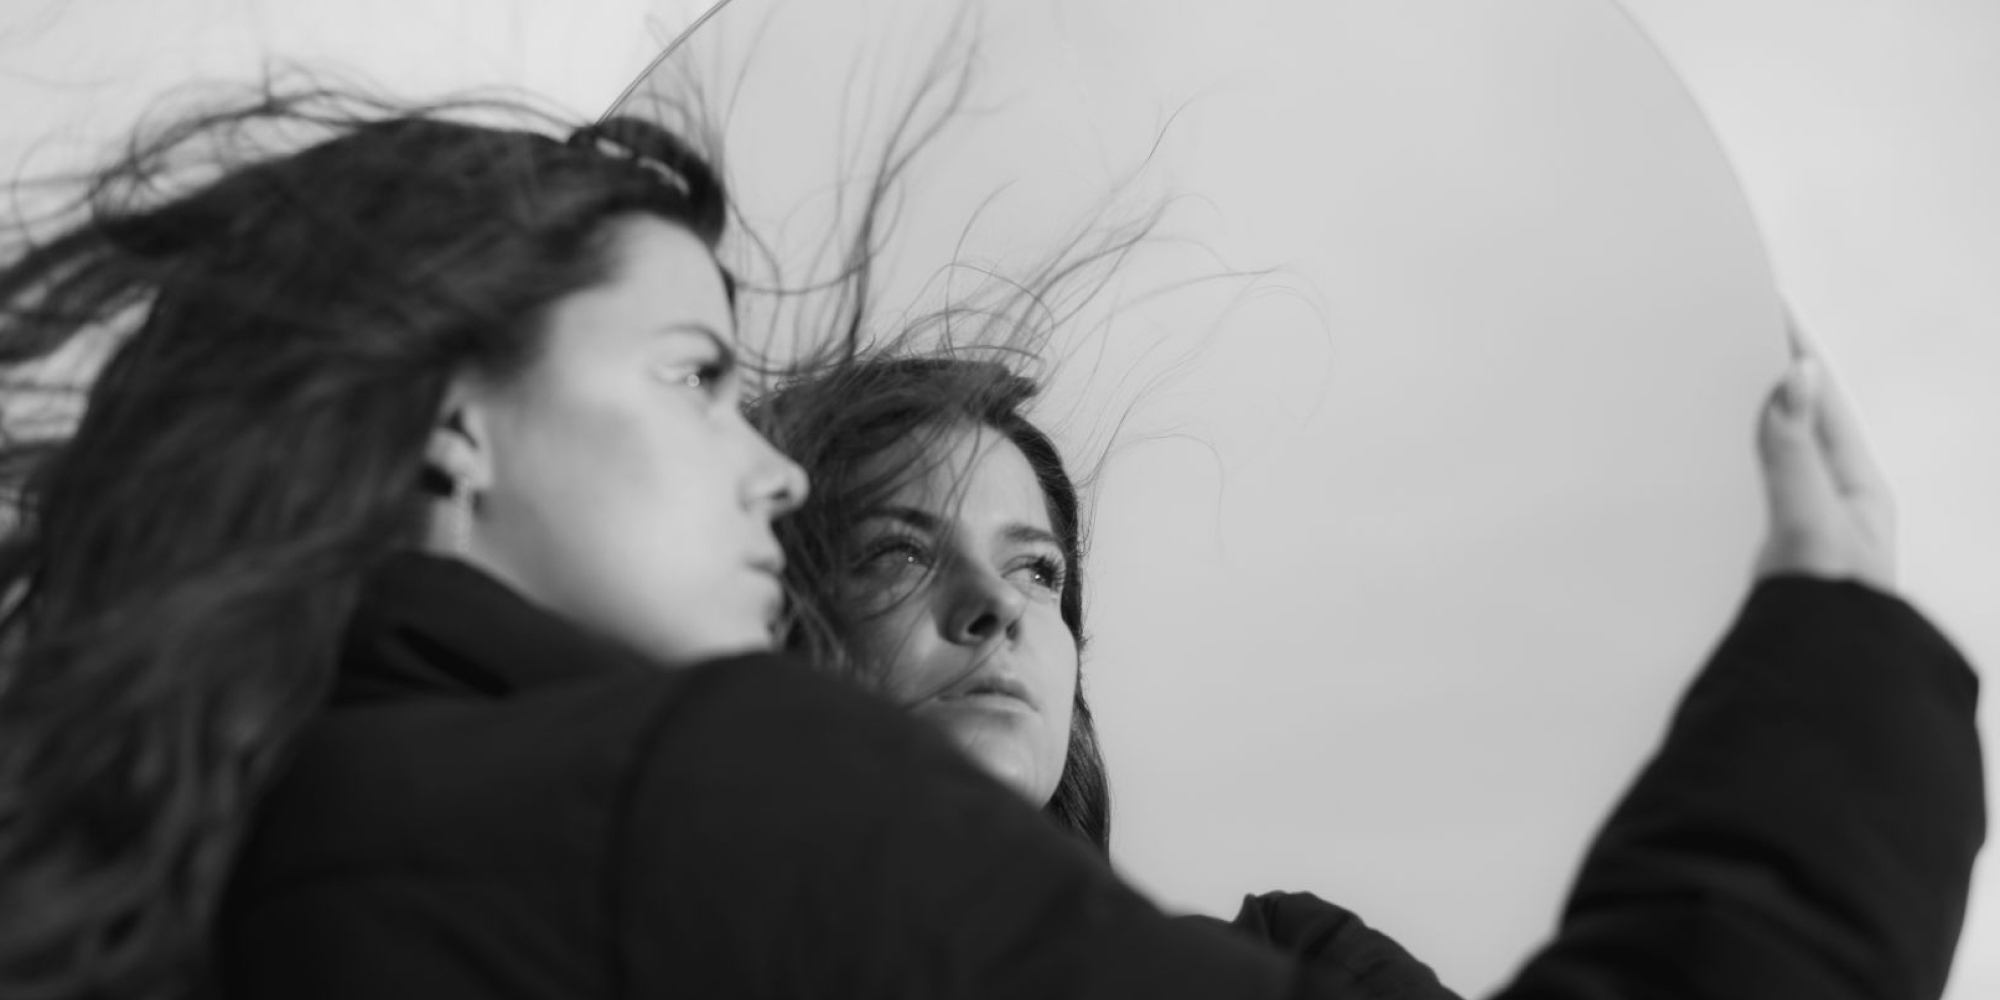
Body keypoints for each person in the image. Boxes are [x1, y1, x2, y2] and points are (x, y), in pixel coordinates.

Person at [0, 84, 1976, 1000]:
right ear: (451, 414)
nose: (759, 474)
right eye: (696, 377)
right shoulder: (683, 801)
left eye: (1043, 568)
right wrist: (1831, 667)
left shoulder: (258, 852)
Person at [750, 342, 1984, 998]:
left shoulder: (1291, 961)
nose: (994, 609)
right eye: (897, 552)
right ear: (784, 619)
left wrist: (1834, 660)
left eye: (1036, 572)